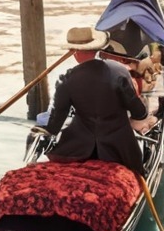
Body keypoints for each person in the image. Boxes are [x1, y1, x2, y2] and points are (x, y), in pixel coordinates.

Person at [44, 30, 155, 175]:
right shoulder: (118, 71)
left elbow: (55, 122)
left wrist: (46, 131)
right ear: (97, 49)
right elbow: (139, 113)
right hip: (118, 150)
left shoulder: (67, 79)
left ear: (74, 53)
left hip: (77, 148)